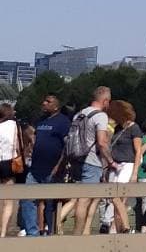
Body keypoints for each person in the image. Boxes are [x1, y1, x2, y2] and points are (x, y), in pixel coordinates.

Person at [19, 94, 71, 237]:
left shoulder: (63, 122)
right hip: (35, 169)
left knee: (50, 204)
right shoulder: (41, 121)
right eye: (44, 101)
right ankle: (32, 232)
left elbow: (67, 147)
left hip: (52, 169)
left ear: (56, 106)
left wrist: (59, 166)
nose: (44, 103)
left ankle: (51, 233)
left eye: (48, 101)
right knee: (27, 200)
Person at [69, 86, 115, 236]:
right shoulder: (100, 116)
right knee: (85, 199)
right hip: (91, 161)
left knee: (79, 198)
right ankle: (78, 236)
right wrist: (110, 161)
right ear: (105, 101)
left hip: (76, 159)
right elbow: (101, 142)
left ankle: (82, 232)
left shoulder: (79, 114)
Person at [106, 100, 142, 233]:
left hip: (128, 165)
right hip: (115, 166)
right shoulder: (118, 128)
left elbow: (138, 151)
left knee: (117, 196)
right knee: (114, 201)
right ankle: (118, 229)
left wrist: (135, 172)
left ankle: (126, 226)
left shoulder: (134, 128)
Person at [0, 103, 22, 238]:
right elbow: (18, 146)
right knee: (8, 201)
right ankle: (3, 232)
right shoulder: (14, 126)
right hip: (9, 162)